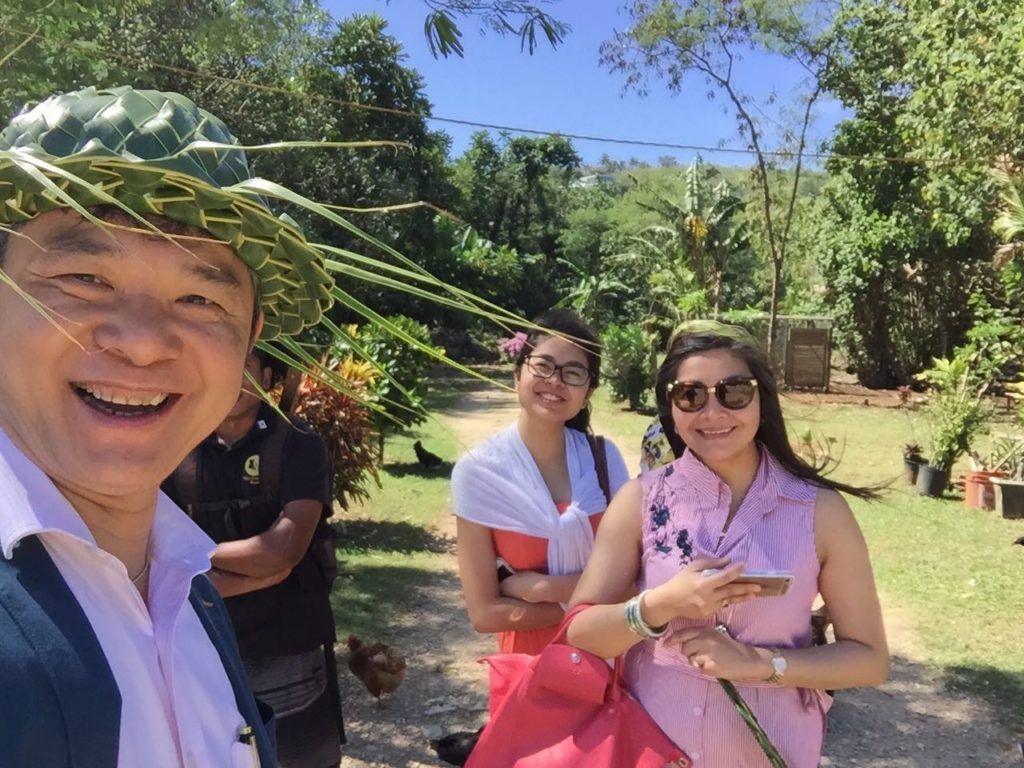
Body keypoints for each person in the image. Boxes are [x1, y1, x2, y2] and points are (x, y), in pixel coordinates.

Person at [0, 86, 336, 766]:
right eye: (84, 276)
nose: (145, 343)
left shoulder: (189, 587)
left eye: (199, 297)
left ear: (249, 341)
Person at [566, 320, 889, 767]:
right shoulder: (640, 500)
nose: (713, 412)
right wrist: (659, 605)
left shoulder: (820, 511)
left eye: (734, 391)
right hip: (646, 750)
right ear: (671, 406)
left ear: (762, 398)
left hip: (770, 748)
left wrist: (759, 663)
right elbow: (579, 632)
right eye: (691, 395)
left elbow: (869, 660)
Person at [163, 347, 344, 768]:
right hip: (202, 645)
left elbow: (284, 549)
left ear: (266, 374)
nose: (231, 380)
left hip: (287, 648)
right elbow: (156, 559)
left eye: (244, 367)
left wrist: (194, 561)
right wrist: (252, 573)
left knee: (301, 759)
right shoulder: (174, 447)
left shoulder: (298, 444)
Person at [450, 309, 630, 654]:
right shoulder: (479, 473)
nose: (556, 381)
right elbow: (485, 613)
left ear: (588, 392)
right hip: (528, 675)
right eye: (543, 366)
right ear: (518, 374)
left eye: (573, 373)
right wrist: (584, 606)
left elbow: (633, 580)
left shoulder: (605, 460)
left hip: (612, 663)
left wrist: (544, 589)